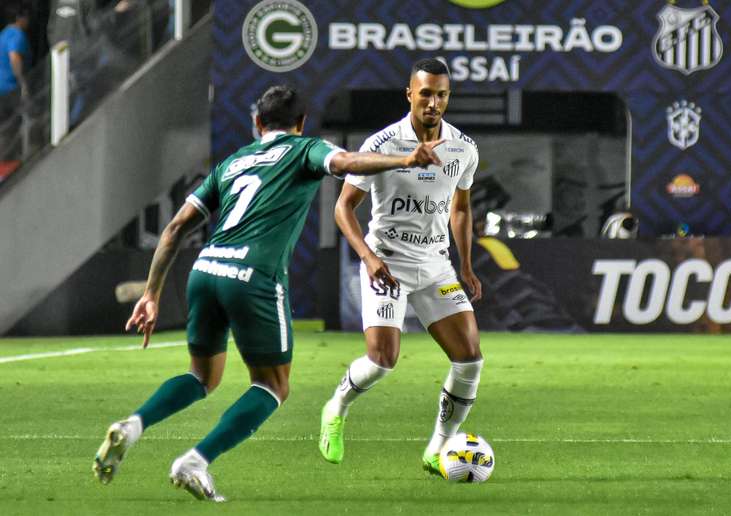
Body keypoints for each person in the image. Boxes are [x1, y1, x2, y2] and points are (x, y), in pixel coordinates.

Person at [92, 84, 444, 501]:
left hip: (205, 270)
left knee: (201, 376)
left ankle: (132, 425)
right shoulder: (304, 149)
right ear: (301, 123)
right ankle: (195, 461)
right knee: (273, 385)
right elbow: (347, 161)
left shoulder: (233, 162)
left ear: (258, 123)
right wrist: (405, 157)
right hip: (253, 276)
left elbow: (173, 230)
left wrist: (151, 294)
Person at [318, 58, 484, 476]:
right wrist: (369, 258)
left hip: (436, 265)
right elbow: (343, 209)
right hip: (387, 264)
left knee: (469, 358)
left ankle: (438, 448)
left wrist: (465, 265)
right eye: (425, 93)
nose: (433, 102)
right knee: (382, 360)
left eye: (441, 94)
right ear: (409, 93)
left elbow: (460, 209)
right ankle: (336, 407)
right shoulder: (381, 144)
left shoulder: (463, 148)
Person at [0, 3, 31, 160]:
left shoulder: (4, 33)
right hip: (10, 88)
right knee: (11, 127)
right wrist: (22, 80)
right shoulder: (17, 34)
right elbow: (14, 56)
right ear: (21, 18)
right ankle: (9, 160)